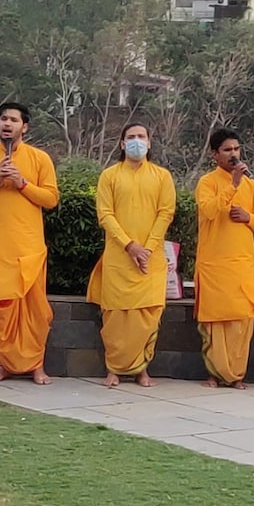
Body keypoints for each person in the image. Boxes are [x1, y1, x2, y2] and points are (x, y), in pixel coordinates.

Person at [0, 101, 60, 385]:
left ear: (24, 127)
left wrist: (22, 183)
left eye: (14, 120)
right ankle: (4, 364)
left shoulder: (40, 159)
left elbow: (51, 199)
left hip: (27, 248)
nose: (7, 124)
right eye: (3, 118)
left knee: (34, 312)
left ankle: (36, 365)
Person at [87, 122, 176, 388]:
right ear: (122, 144)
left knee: (148, 316)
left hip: (151, 261)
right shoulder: (110, 176)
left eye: (141, 137)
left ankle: (141, 369)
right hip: (118, 258)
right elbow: (105, 215)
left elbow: (166, 213)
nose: (136, 141)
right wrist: (130, 246)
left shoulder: (162, 176)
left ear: (149, 143)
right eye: (130, 137)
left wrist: (147, 248)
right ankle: (114, 369)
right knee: (115, 316)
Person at [194, 130, 254, 389]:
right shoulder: (207, 182)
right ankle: (214, 374)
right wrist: (232, 186)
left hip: (241, 264)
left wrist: (248, 217)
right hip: (214, 263)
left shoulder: (252, 185)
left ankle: (236, 374)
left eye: (236, 148)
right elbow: (209, 210)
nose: (234, 154)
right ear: (214, 154)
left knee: (240, 321)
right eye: (227, 149)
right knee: (216, 323)